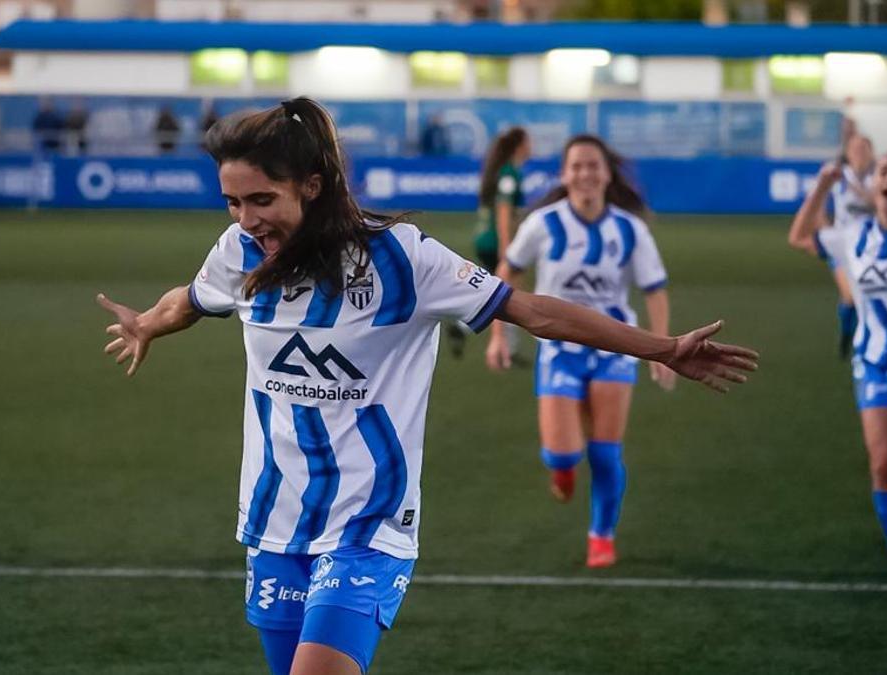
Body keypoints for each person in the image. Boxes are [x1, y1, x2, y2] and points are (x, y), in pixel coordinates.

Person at [97, 97, 756, 675]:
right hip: (274, 523)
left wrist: (664, 347)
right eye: (233, 202)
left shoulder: (403, 258)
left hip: (368, 525)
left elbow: (537, 310)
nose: (245, 219)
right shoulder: (240, 252)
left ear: (314, 186)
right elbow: (193, 297)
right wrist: (148, 324)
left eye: (262, 200)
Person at [485, 134, 674, 569]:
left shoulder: (630, 229)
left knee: (606, 451)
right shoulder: (542, 224)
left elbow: (655, 291)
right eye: (577, 166)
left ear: (607, 174)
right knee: (563, 453)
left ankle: (601, 535)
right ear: (564, 174)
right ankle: (563, 468)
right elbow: (505, 275)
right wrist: (499, 337)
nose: (586, 173)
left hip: (614, 350)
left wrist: (662, 350)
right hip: (558, 351)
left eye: (594, 166)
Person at [788, 148, 887, 589]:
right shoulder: (853, 234)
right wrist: (821, 185)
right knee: (883, 465)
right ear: (874, 184)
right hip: (875, 364)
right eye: (883, 172)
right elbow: (799, 236)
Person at [446, 127, 531, 359]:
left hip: (486, 240)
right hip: (495, 242)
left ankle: (463, 328)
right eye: (528, 142)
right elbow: (503, 211)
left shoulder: (503, 171)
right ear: (519, 146)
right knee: (508, 294)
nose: (531, 146)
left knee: (499, 292)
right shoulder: (509, 174)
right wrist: (507, 248)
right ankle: (507, 348)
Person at [792, 134, 876, 358]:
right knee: (849, 296)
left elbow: (877, 203)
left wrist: (855, 186)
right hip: (843, 244)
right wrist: (827, 229)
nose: (859, 153)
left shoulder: (878, 177)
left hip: (872, 247)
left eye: (863, 148)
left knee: (869, 296)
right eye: (855, 148)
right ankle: (847, 337)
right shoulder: (838, 177)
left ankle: (866, 338)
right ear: (847, 152)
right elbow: (816, 208)